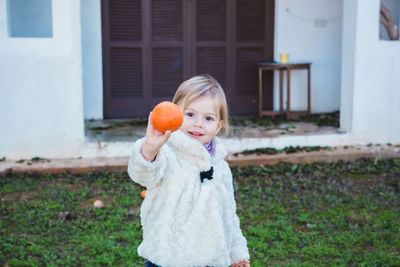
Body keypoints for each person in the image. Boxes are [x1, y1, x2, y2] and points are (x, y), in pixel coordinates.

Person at [128, 74, 250, 267]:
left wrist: (237, 253)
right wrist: (150, 148)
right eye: (190, 114)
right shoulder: (167, 152)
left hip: (212, 259)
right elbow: (144, 174)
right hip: (168, 258)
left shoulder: (220, 166)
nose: (198, 123)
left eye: (208, 118)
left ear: (218, 126)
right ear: (176, 115)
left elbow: (228, 213)